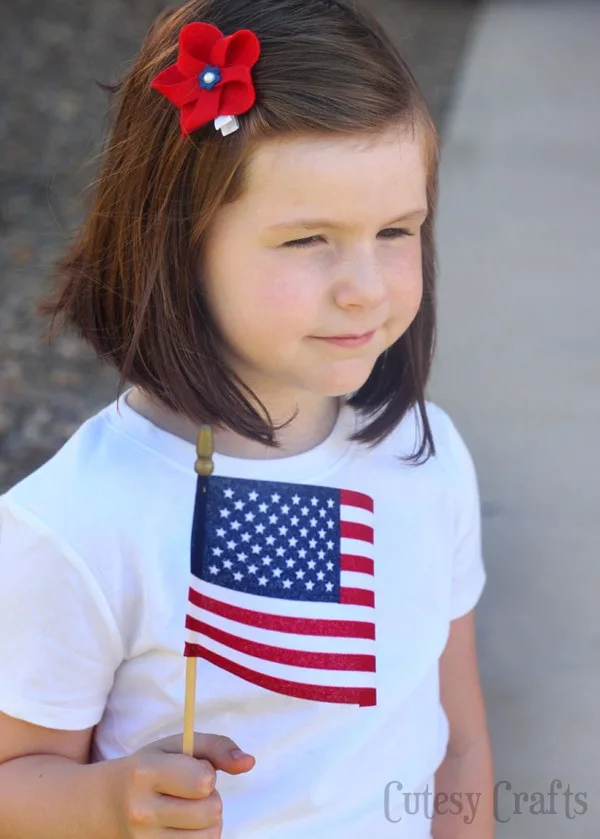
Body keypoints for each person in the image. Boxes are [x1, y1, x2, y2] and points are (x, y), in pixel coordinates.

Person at [0, 0, 494, 836]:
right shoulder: (74, 525)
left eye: (395, 230)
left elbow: (459, 744)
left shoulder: (427, 452)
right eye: (308, 240)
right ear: (178, 243)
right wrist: (104, 800)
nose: (364, 286)